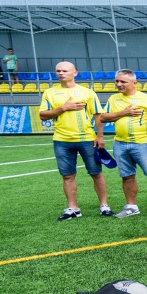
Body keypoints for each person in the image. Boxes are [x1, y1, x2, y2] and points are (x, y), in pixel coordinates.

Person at [39, 61, 111, 219]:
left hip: (87, 139)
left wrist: (100, 136)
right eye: (58, 71)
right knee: (67, 175)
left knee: (96, 173)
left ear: (75, 73)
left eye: (64, 70)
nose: (60, 73)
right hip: (61, 140)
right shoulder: (49, 93)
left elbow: (98, 115)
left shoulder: (87, 92)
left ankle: (104, 206)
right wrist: (63, 108)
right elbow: (43, 115)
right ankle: (73, 209)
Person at [97, 69, 147, 218]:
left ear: (134, 83)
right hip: (120, 144)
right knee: (127, 176)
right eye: (117, 81)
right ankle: (131, 206)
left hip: (143, 143)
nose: (119, 84)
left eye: (123, 81)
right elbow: (103, 117)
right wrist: (123, 113)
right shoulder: (113, 99)